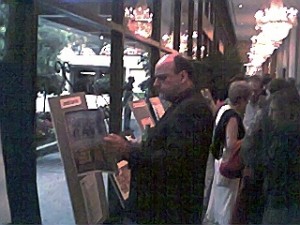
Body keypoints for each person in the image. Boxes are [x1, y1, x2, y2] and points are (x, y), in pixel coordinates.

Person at [103, 53, 213, 224]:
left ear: (183, 76)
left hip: (168, 211)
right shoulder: (185, 105)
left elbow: (174, 162)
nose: (156, 84)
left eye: (162, 78)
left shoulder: (192, 108)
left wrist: (128, 150)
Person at [204, 80, 251, 225]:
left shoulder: (223, 109)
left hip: (220, 164)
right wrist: (248, 139)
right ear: (242, 99)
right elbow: (231, 144)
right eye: (247, 100)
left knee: (219, 205)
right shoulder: (233, 117)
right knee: (227, 207)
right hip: (230, 167)